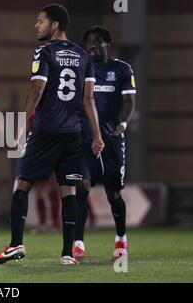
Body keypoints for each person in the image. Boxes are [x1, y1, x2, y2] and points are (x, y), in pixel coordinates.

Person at [0, 4, 104, 265]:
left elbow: (37, 90)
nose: (36, 25)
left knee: (22, 183)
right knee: (69, 190)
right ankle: (67, 254)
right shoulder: (83, 55)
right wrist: (97, 135)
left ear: (55, 25)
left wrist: (19, 125)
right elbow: (89, 99)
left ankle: (16, 245)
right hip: (74, 133)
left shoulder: (44, 51)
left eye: (40, 21)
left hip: (46, 130)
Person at [72, 26, 136, 260]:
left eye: (97, 42)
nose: (92, 46)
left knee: (114, 195)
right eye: (89, 42)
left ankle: (121, 239)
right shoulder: (81, 70)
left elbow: (129, 101)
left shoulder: (121, 70)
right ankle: (78, 243)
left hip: (111, 139)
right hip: (85, 140)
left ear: (108, 44)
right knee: (82, 189)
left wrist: (124, 124)